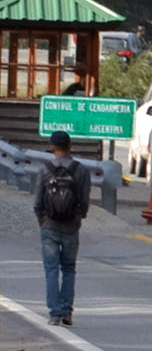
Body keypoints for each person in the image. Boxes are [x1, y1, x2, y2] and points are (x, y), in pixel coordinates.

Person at [33, 130, 92, 326]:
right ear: (70, 146)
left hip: (49, 225)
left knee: (51, 269)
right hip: (71, 226)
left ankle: (55, 313)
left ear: (53, 147)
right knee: (68, 268)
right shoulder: (81, 170)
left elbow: (38, 202)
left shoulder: (45, 169)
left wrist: (42, 220)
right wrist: (79, 218)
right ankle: (67, 311)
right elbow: (84, 200)